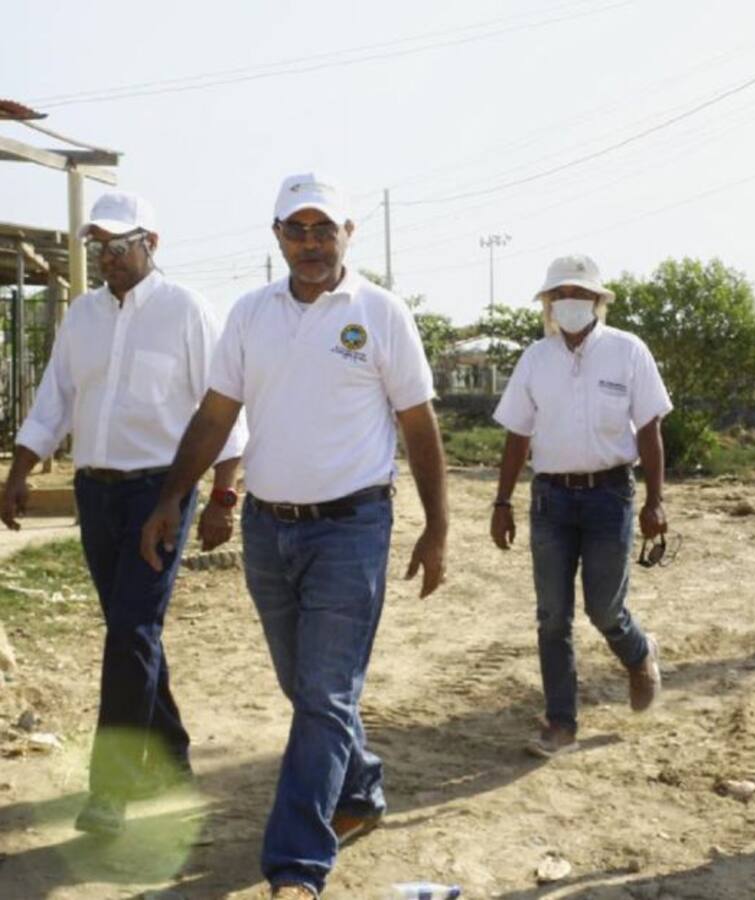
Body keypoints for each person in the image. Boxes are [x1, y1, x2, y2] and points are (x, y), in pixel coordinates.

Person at [139, 173, 448, 900]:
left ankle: (296, 864)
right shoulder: (251, 315)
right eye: (295, 229)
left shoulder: (380, 313)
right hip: (268, 529)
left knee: (322, 692)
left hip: (353, 528)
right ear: (276, 235)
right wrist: (172, 497)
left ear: (348, 233)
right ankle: (361, 787)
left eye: (323, 229)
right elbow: (216, 415)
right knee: (308, 688)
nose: (310, 243)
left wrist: (439, 526)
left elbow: (419, 424)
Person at [1, 191, 245, 835]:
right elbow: (54, 398)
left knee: (131, 632)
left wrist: (223, 494)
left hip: (160, 493)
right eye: (97, 248)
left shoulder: (187, 311)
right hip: (95, 493)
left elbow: (223, 407)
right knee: (130, 629)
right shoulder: (81, 316)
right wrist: (20, 470)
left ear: (151, 244)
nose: (106, 258)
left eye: (118, 246)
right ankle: (171, 756)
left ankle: (111, 787)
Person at [491, 254, 671, 758]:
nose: (570, 303)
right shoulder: (535, 359)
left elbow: (652, 430)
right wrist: (501, 501)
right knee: (552, 615)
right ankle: (561, 722)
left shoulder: (628, 352)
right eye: (561, 295)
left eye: (580, 294)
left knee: (603, 607)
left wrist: (655, 501)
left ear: (598, 301)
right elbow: (516, 434)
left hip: (610, 496)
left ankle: (638, 652)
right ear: (549, 304)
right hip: (550, 499)